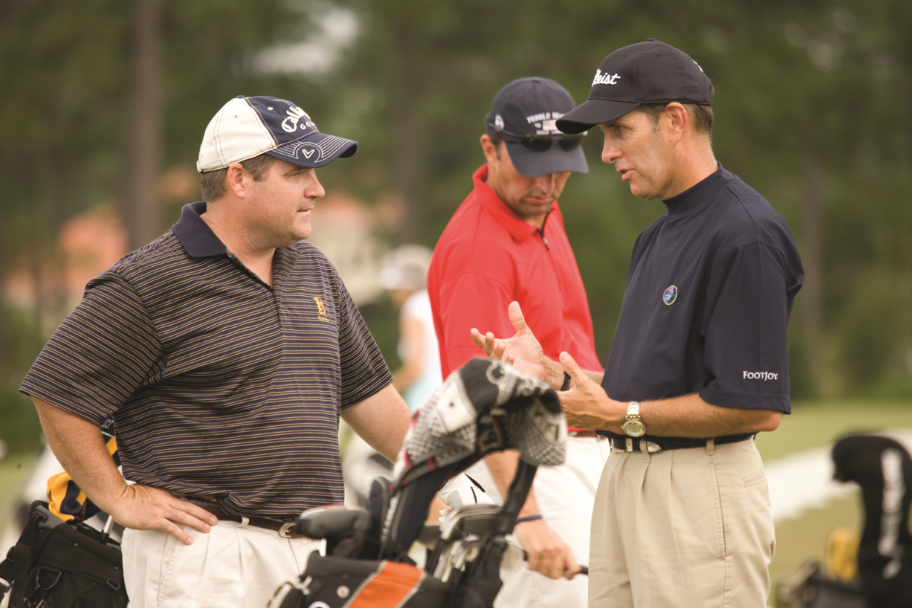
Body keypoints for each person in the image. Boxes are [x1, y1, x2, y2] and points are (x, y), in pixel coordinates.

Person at [19, 95, 414, 608]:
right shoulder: (148, 281)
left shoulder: (314, 269)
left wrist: (451, 474)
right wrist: (118, 497)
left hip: (310, 548)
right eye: (298, 172)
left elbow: (369, 399)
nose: (318, 189)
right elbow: (57, 391)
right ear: (239, 180)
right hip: (203, 554)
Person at [474, 40, 805, 607]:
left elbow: (756, 405)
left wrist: (616, 415)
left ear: (673, 121)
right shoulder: (656, 235)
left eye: (618, 131)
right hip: (628, 480)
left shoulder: (744, 234)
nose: (604, 154)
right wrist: (553, 375)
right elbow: (642, 391)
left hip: (699, 490)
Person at [427, 77, 609, 608]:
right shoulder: (479, 251)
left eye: (561, 168)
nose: (548, 184)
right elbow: (480, 399)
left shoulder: (542, 207)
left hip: (577, 447)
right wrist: (526, 516)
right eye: (533, 165)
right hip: (528, 465)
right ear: (491, 148)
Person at [379, 244, 442, 411]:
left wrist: (380, 392)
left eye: (395, 288)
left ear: (407, 285)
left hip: (425, 398)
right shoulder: (434, 303)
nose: (393, 294)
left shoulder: (413, 308)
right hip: (445, 394)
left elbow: (415, 368)